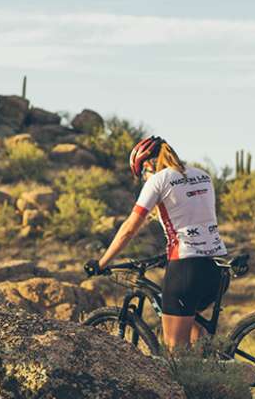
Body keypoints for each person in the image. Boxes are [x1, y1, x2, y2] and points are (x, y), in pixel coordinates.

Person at [89, 136, 228, 352]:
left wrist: (102, 262)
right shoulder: (202, 175)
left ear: (147, 164)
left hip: (185, 270)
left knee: (174, 354)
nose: (144, 179)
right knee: (194, 336)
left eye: (142, 174)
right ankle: (213, 369)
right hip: (214, 268)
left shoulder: (159, 180)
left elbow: (129, 229)